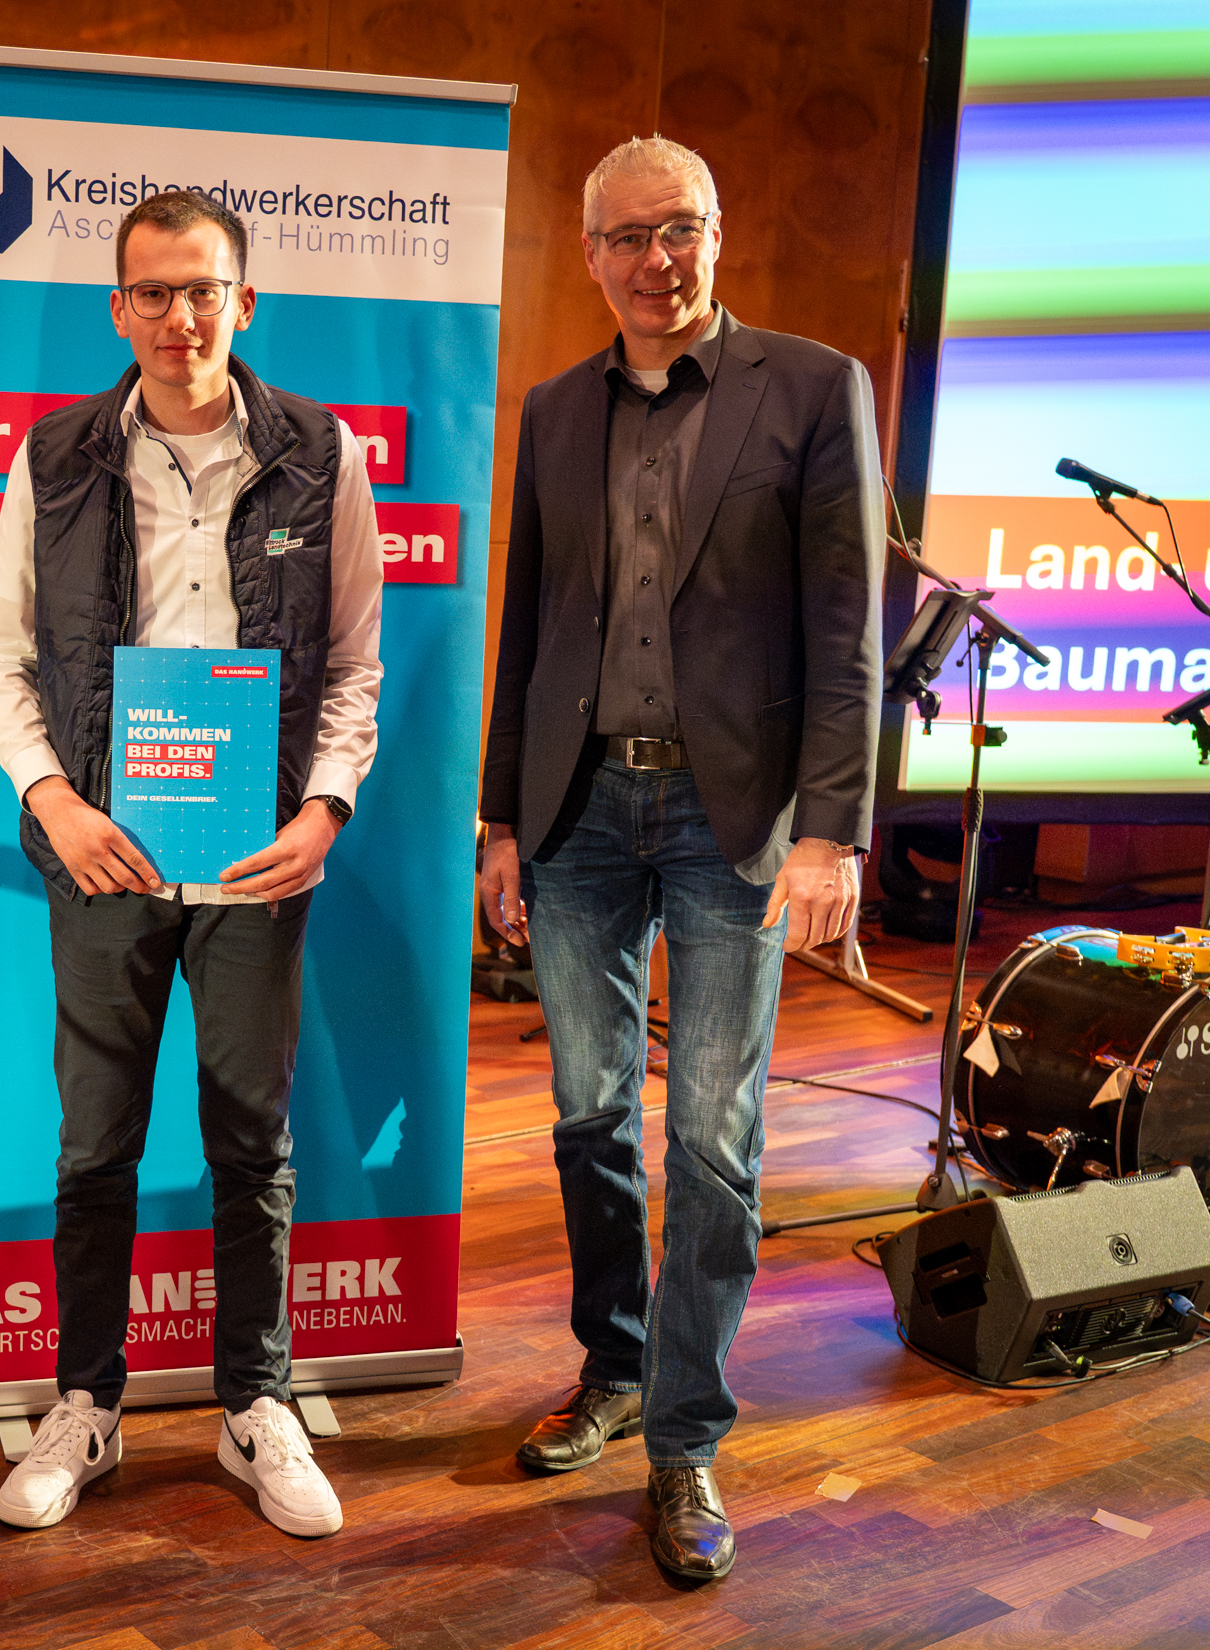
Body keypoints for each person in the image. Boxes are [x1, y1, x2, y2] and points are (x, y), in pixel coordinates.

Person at [478, 136, 881, 1581]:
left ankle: (685, 1435)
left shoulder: (815, 387)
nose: (660, 260)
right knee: (591, 1114)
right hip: (579, 813)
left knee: (714, 1135)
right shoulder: (553, 409)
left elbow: (847, 627)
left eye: (683, 229)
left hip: (735, 822)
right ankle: (614, 1364)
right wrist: (502, 818)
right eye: (631, 237)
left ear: (719, 233)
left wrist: (831, 826)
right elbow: (529, 625)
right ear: (591, 255)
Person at [0, 189, 384, 1540]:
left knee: (253, 1141)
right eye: (152, 292)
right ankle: (85, 1403)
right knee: (96, 1144)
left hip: (258, 863)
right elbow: (0, 659)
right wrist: (55, 803)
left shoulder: (323, 454)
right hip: (105, 857)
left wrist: (323, 810)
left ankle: (254, 1403)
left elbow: (355, 664)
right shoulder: (54, 455)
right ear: (118, 309)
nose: (179, 317)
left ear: (244, 303)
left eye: (203, 290)